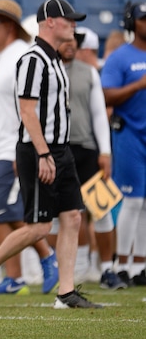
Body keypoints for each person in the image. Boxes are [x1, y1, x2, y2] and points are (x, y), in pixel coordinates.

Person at [0, 0, 102, 309]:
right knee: (39, 226)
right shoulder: (33, 59)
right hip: (38, 149)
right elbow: (26, 111)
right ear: (50, 22)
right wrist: (43, 154)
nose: (74, 25)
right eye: (68, 20)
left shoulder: (55, 59)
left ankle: (65, 292)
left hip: (60, 148)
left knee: (71, 216)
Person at [0, 0, 58, 296]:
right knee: (4, 214)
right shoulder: (1, 57)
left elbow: (29, 106)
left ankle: (48, 256)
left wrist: (28, 148)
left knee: (13, 212)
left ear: (8, 25)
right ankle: (15, 277)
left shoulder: (21, 55)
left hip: (11, 149)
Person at [56, 29, 125, 290]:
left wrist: (105, 152)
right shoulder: (47, 71)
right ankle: (66, 271)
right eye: (67, 40)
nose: (71, 45)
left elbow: (99, 114)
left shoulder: (90, 74)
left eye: (75, 41)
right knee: (60, 214)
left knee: (102, 210)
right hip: (58, 150)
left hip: (86, 151)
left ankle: (108, 269)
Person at [101, 1, 146, 287]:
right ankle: (122, 265)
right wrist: (138, 85)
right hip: (129, 135)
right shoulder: (120, 57)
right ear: (132, 22)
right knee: (131, 201)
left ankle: (141, 265)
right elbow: (106, 96)